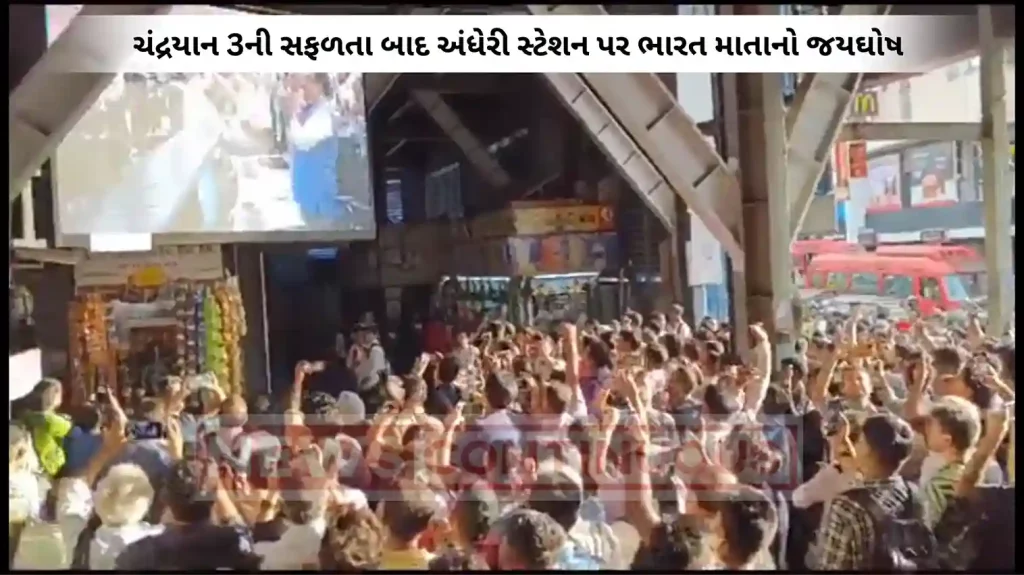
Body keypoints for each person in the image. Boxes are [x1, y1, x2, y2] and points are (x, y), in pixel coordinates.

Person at [287, 73, 341, 227]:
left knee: (322, 231)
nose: (304, 86)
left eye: (309, 82)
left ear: (320, 85)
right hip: (306, 192)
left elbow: (303, 140)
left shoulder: (327, 112)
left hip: (320, 195)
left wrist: (294, 114)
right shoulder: (308, 109)